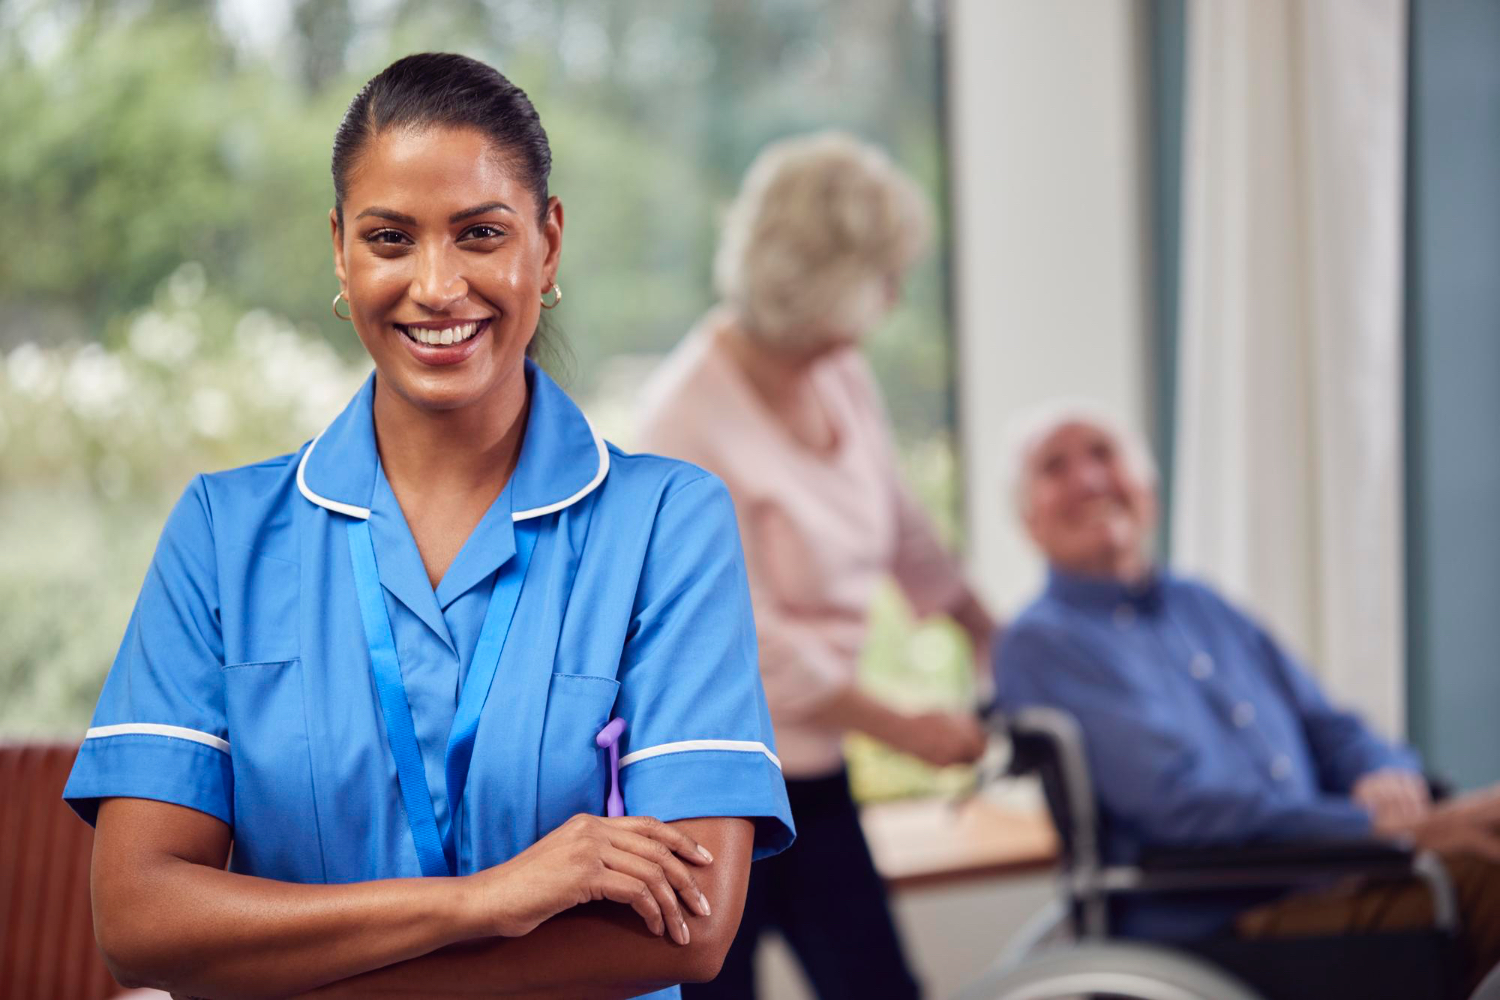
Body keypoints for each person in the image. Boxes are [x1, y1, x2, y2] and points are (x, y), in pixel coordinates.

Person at [61, 53, 793, 1000]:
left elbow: (689, 930)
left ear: (549, 244)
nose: (437, 285)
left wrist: (290, 975)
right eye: (391, 238)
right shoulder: (223, 533)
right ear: (340, 250)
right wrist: (483, 902)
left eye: (481, 233)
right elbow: (138, 919)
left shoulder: (665, 523)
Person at [637, 131, 996, 1000]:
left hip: (817, 776)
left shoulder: (840, 373)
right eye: (883, 273)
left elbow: (898, 521)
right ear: (830, 281)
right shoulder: (683, 425)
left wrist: (982, 624)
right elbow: (749, 642)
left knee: (880, 986)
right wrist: (906, 727)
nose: (896, 295)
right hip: (710, 788)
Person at [992, 399, 1500, 990]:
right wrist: (1375, 828)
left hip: (1340, 874)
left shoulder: (1198, 603)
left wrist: (1385, 775)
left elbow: (1330, 726)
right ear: (1029, 519)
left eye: (1104, 454)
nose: (1088, 478)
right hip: (1224, 922)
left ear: (1148, 490)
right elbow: (1182, 809)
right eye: (1055, 467)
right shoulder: (1042, 642)